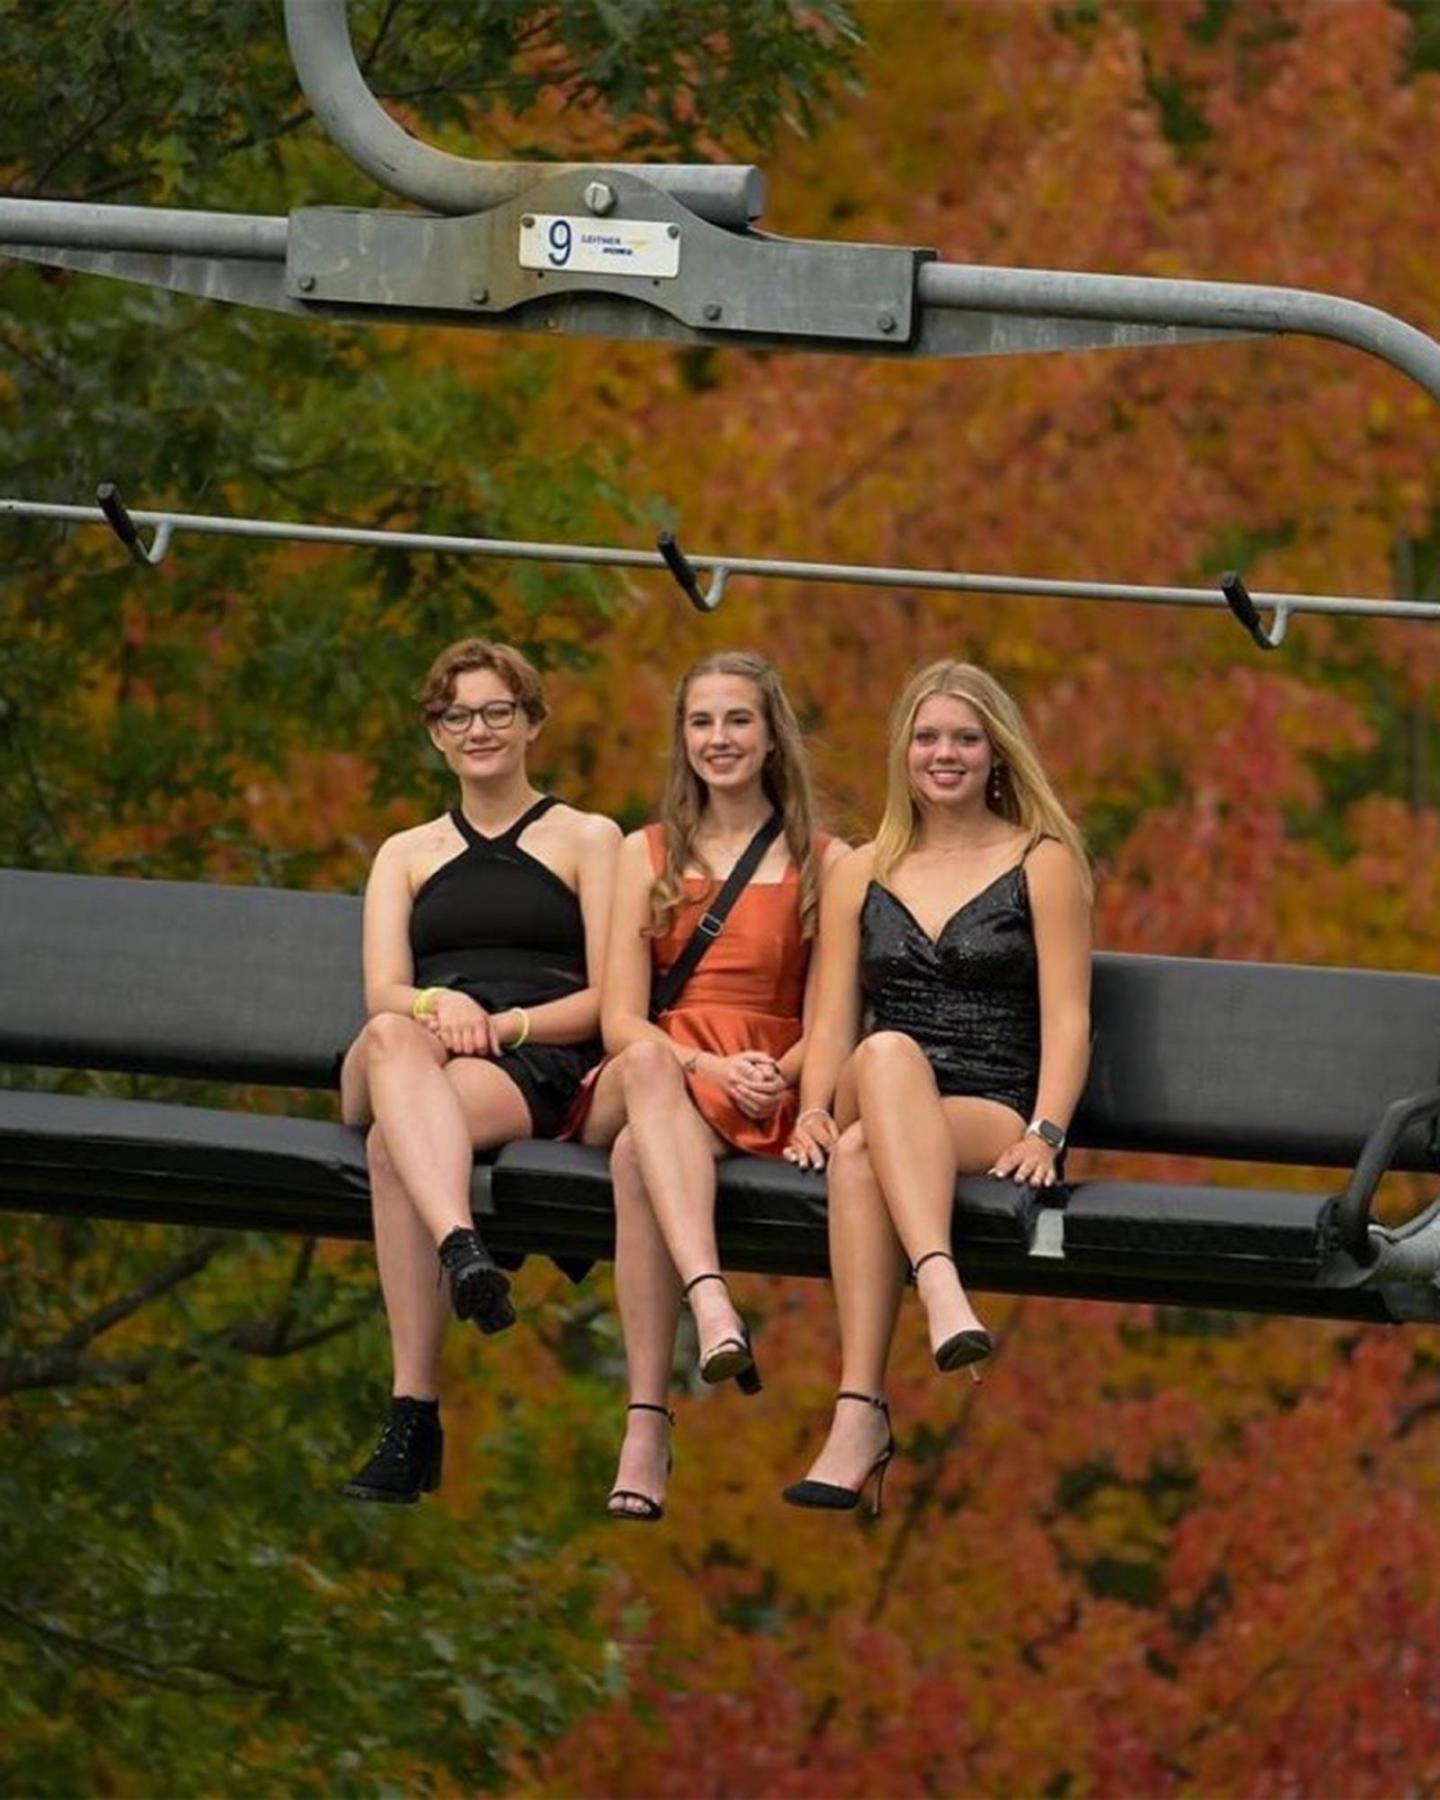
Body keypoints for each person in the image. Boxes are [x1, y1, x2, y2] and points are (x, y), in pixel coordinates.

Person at [781, 659, 1091, 1515]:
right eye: (926, 737)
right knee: (883, 1057)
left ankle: (858, 1415)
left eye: (964, 738)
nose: (943, 754)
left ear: (997, 753)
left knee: (858, 1159)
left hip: (987, 1100)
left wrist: (1046, 1133)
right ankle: (941, 1283)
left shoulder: (1042, 861)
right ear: (903, 751)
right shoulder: (860, 869)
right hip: (874, 1078)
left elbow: (1068, 1018)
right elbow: (833, 1022)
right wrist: (811, 1107)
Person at [339, 638, 620, 1504]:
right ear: (436, 733)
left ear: (532, 721)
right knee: (389, 1040)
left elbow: (611, 997)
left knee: (393, 1146)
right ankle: (462, 1245)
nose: (479, 729)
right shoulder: (406, 851)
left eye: (499, 711)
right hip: (413, 1044)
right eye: (458, 716)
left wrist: (504, 1024)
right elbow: (386, 990)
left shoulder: (589, 838)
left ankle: (412, 1416)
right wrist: (440, 1005)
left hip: (525, 1054)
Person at [573, 650, 846, 1521]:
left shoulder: (828, 862)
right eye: (701, 722)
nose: (718, 738)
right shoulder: (645, 851)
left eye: (736, 720)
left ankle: (645, 1427)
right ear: (681, 738)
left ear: (771, 737)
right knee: (649, 1069)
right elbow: (621, 1018)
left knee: (635, 1165)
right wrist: (706, 1066)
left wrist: (792, 1088)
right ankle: (710, 1294)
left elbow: (830, 1021)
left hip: (760, 1083)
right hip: (654, 1065)